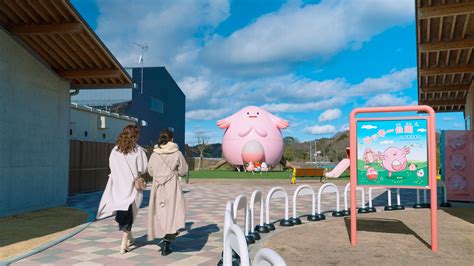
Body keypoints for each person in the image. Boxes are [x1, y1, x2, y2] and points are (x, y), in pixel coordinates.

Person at [97, 125, 148, 254]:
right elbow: (143, 168)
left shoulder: (115, 150)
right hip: (132, 186)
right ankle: (123, 244)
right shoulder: (138, 150)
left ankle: (130, 238)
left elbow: (111, 166)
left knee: (122, 212)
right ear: (135, 135)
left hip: (117, 185)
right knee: (130, 213)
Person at [147, 129, 188, 256]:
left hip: (157, 187)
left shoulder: (154, 154)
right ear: (172, 139)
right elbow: (183, 171)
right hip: (172, 186)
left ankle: (163, 239)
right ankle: (167, 243)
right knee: (172, 213)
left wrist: (159, 175)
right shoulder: (177, 153)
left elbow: (150, 171)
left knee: (159, 213)